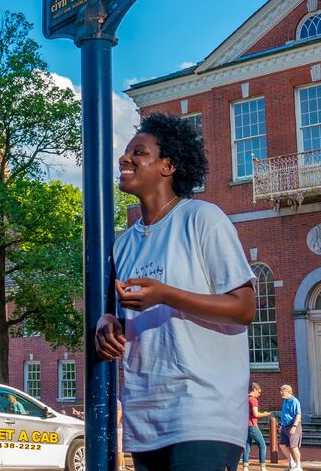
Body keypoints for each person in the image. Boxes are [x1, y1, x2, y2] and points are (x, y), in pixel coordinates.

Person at [95, 113, 256, 471]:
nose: (125, 159)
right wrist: (109, 323)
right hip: (145, 415)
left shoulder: (203, 218)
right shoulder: (122, 246)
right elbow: (129, 316)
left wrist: (167, 294)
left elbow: (244, 308)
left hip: (203, 412)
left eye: (139, 152)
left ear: (168, 165)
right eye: (125, 153)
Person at [243, 383, 271, 471]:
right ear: (254, 390)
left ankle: (245, 467)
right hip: (252, 425)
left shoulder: (245, 398)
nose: (259, 394)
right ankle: (263, 467)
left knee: (247, 446)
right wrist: (265, 414)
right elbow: (255, 414)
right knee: (262, 445)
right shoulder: (253, 400)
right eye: (259, 392)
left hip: (245, 425)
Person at [279, 385, 303, 471]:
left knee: (294, 446)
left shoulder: (294, 401)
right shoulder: (285, 401)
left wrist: (294, 426)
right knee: (281, 444)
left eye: (283, 391)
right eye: (281, 391)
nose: (281, 392)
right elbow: (284, 413)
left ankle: (299, 466)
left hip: (293, 425)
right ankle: (291, 462)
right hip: (285, 426)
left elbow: (298, 414)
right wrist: (282, 425)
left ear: (289, 391)